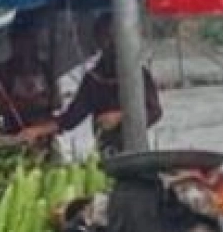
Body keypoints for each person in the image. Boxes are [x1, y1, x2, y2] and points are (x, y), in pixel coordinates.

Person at [23, 14, 162, 157]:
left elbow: (155, 111)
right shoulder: (94, 79)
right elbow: (70, 118)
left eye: (112, 37)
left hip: (138, 151)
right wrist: (37, 131)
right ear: (98, 42)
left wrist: (120, 116)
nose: (109, 43)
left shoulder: (138, 74)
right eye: (104, 38)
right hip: (107, 152)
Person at [0, 18, 61, 136]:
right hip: (15, 133)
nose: (25, 46)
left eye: (30, 40)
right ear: (12, 43)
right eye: (20, 41)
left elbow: (58, 103)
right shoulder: (1, 71)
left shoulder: (45, 68)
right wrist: (20, 104)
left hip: (44, 132)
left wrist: (44, 101)